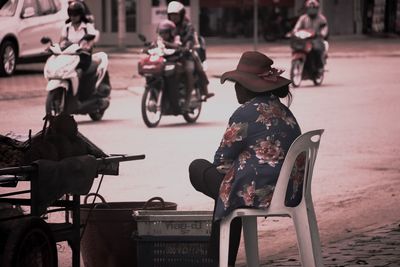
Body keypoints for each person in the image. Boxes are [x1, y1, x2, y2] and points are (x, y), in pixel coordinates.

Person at [188, 51, 301, 266]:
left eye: (238, 83)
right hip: (290, 189)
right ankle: (221, 260)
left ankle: (219, 261)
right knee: (227, 191)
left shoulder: (245, 113)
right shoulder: (284, 110)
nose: (235, 88)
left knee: (199, 169)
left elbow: (221, 163)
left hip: (261, 192)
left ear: (248, 86)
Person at [167, 1, 214, 111]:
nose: (173, 17)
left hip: (186, 55)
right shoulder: (168, 26)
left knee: (188, 70)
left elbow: (189, 40)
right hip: (171, 55)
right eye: (171, 15)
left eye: (176, 15)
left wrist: (186, 46)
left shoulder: (188, 27)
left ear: (181, 15)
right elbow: (161, 36)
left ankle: (188, 100)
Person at [60, 0, 98, 76]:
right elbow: (62, 41)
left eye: (75, 15)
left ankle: (78, 87)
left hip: (83, 57)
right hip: (69, 57)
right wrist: (60, 46)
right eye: (71, 15)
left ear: (81, 15)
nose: (73, 17)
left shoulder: (87, 27)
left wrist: (87, 47)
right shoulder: (67, 27)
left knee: (78, 72)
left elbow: (92, 40)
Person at [292, 0, 328, 73]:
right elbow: (297, 27)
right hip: (305, 38)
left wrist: (321, 33)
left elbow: (325, 28)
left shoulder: (321, 18)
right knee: (297, 47)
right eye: (310, 8)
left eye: (313, 8)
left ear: (317, 8)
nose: (311, 10)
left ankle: (319, 67)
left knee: (317, 50)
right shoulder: (303, 18)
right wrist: (294, 32)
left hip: (316, 39)